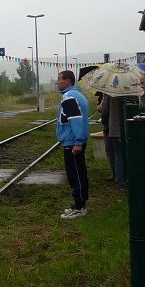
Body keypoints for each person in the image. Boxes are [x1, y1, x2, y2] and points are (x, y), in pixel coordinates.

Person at [56, 70, 90, 219]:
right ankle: (78, 204)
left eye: (59, 79)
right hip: (73, 140)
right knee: (78, 172)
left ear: (67, 81)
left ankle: (80, 207)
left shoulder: (69, 97)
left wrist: (78, 142)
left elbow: (75, 120)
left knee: (75, 174)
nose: (57, 82)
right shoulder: (76, 95)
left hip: (72, 142)